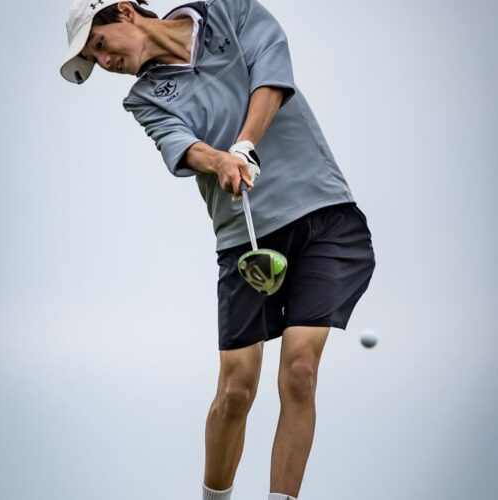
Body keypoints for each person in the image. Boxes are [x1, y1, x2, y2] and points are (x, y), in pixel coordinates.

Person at [60, 1, 376, 499]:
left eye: (100, 45)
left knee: (298, 371)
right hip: (244, 242)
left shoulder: (231, 11)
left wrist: (245, 145)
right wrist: (218, 159)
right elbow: (181, 145)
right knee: (236, 390)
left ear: (125, 11)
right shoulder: (143, 99)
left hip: (325, 217)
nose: (104, 62)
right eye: (94, 61)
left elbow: (271, 75)